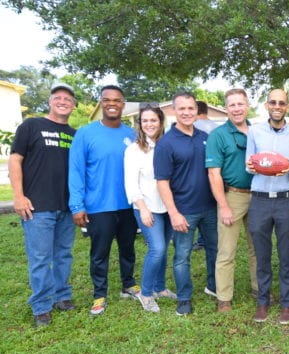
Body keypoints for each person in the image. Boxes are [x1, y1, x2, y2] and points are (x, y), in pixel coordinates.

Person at [9, 83, 78, 327]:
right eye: (58, 97)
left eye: (68, 99)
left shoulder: (73, 134)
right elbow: (15, 160)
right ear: (50, 101)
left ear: (74, 105)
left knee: (63, 255)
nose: (63, 101)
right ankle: (41, 306)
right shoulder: (31, 126)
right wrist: (19, 196)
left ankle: (63, 296)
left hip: (66, 207)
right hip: (37, 207)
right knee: (40, 258)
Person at [68, 85, 139, 316]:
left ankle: (128, 284)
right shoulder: (85, 133)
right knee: (100, 253)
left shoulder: (131, 134)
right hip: (99, 206)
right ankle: (99, 294)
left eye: (117, 100)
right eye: (107, 99)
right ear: (101, 103)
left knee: (128, 248)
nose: (112, 104)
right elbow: (76, 171)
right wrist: (77, 205)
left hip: (128, 204)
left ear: (123, 104)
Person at [245, 88, 289, 324]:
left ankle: (286, 303)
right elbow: (248, 164)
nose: (277, 106)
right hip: (260, 199)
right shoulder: (255, 132)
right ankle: (263, 302)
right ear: (267, 106)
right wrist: (261, 165)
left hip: (285, 199)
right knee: (262, 254)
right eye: (273, 102)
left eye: (282, 103)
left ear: (287, 107)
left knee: (285, 254)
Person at [154, 92, 218, 316]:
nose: (187, 112)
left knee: (214, 249)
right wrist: (173, 213)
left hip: (210, 207)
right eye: (182, 109)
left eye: (191, 108)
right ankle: (184, 297)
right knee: (182, 256)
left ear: (196, 110)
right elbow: (162, 181)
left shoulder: (204, 136)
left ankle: (214, 286)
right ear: (174, 111)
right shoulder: (166, 144)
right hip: (184, 211)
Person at [206, 88, 258, 312]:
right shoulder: (218, 135)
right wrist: (224, 205)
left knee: (258, 247)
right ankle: (224, 298)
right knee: (227, 250)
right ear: (226, 108)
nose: (237, 109)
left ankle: (259, 289)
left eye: (240, 104)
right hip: (233, 196)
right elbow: (213, 173)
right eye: (232, 105)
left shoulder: (257, 132)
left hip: (258, 195)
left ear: (247, 106)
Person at [124, 104, 176, 313]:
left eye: (153, 120)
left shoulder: (167, 145)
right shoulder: (134, 150)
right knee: (157, 249)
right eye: (145, 120)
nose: (149, 124)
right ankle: (145, 294)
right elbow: (131, 183)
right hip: (146, 206)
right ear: (140, 124)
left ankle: (160, 287)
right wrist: (143, 209)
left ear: (160, 122)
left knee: (164, 248)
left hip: (168, 206)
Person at [193, 100, 219, 251]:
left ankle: (199, 239)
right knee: (210, 208)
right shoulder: (216, 128)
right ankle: (205, 239)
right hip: (214, 173)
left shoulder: (193, 126)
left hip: (196, 173)